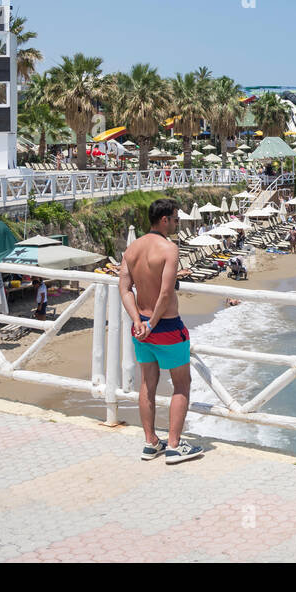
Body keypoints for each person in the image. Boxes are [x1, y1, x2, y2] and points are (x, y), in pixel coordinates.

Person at [120, 198, 202, 465]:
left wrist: (138, 321)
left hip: (140, 328)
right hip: (165, 326)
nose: (178, 223)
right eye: (176, 219)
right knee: (181, 384)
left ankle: (151, 442)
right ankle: (175, 446)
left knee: (147, 383)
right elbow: (166, 293)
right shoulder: (169, 249)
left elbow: (125, 289)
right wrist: (154, 323)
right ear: (164, 219)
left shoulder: (131, 249)